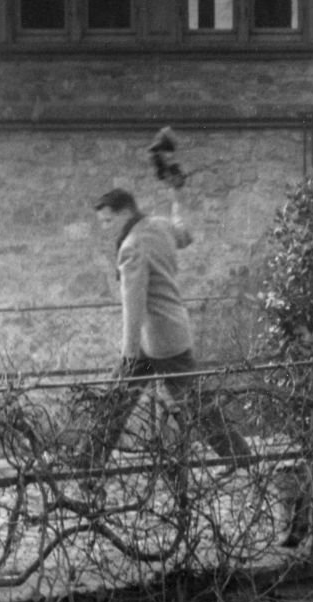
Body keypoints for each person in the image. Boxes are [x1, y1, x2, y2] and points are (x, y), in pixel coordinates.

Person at [78, 185, 249, 467]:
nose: (106, 228)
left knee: (187, 403)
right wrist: (177, 198)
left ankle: (240, 457)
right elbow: (184, 233)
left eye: (109, 221)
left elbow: (134, 307)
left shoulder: (132, 247)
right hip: (169, 336)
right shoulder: (158, 226)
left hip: (154, 344)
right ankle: (86, 461)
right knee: (122, 400)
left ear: (125, 213)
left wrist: (128, 354)